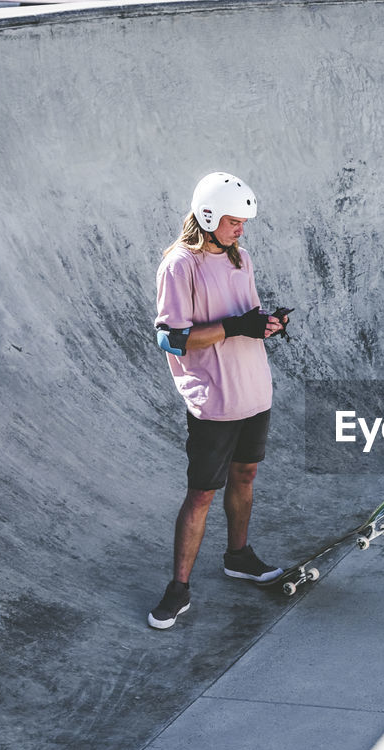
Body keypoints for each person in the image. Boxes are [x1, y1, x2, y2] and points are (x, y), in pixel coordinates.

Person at [147, 172, 289, 630]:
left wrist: (267, 324)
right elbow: (171, 340)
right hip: (213, 399)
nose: (241, 229)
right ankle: (179, 588)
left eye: (244, 222)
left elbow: (246, 317)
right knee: (203, 492)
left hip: (253, 389)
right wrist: (234, 328)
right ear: (208, 216)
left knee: (245, 474)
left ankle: (238, 556)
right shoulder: (179, 266)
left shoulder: (240, 259)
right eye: (233, 221)